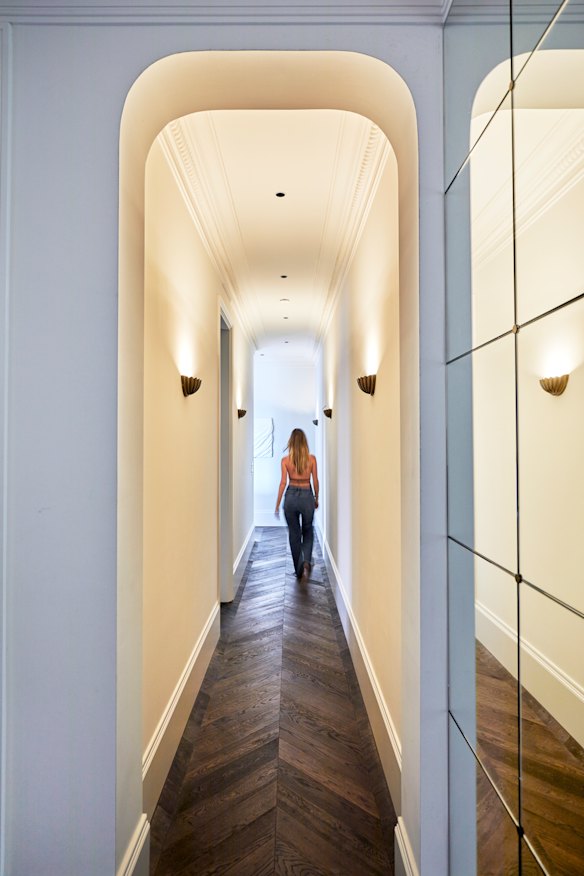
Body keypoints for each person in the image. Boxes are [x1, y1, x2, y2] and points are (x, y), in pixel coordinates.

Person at [275, 428, 319, 582]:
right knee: (308, 529)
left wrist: (277, 504)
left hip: (291, 497)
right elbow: (315, 481)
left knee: (294, 534)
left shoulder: (285, 461)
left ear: (291, 442)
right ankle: (306, 559)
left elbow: (282, 483)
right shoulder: (312, 459)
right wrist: (316, 498)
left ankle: (298, 568)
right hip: (307, 494)